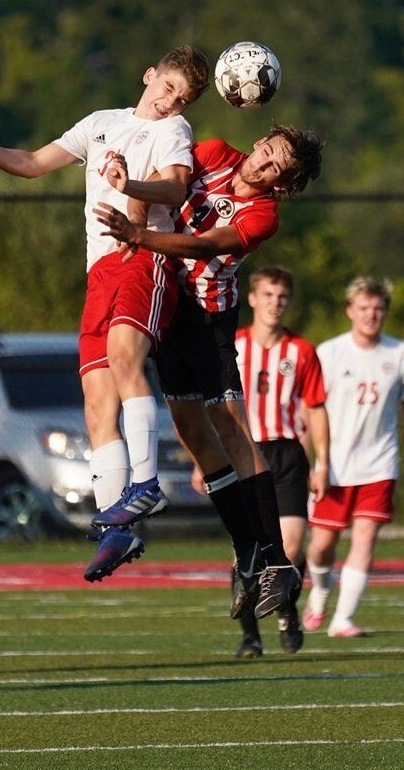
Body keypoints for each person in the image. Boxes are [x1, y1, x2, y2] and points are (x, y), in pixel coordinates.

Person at [0, 45, 210, 582]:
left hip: (141, 256)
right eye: (166, 89)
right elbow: (35, 163)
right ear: (148, 74)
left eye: (182, 98)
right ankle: (118, 530)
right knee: (95, 402)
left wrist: (128, 186)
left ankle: (146, 485)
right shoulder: (100, 124)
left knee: (123, 358)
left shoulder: (173, 132)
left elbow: (176, 185)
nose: (170, 102)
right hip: (99, 273)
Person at [94, 126, 324, 622]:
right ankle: (247, 552)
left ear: (281, 184)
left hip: (208, 316)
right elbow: (165, 183)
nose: (261, 164)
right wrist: (133, 203)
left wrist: (140, 236)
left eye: (274, 167)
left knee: (231, 426)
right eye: (266, 150)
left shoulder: (264, 216)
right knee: (192, 431)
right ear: (259, 140)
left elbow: (204, 247)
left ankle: (279, 562)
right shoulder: (216, 152)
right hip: (170, 305)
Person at [305, 276, 404, 637]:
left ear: (385, 312)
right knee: (322, 546)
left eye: (378, 308)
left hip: (380, 463)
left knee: (365, 538)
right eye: (364, 308)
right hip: (335, 466)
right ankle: (321, 590)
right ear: (349, 311)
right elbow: (311, 410)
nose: (371, 315)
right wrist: (313, 460)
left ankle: (343, 619)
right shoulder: (329, 353)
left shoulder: (399, 353)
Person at [227, 265, 329, 657]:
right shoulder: (232, 346)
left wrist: (322, 462)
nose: (275, 303)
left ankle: (287, 609)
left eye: (282, 297)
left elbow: (316, 408)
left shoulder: (301, 351)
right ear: (252, 298)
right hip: (243, 451)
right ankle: (250, 637)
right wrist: (202, 462)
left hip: (287, 454)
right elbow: (210, 408)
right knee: (244, 551)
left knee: (289, 545)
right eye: (268, 295)